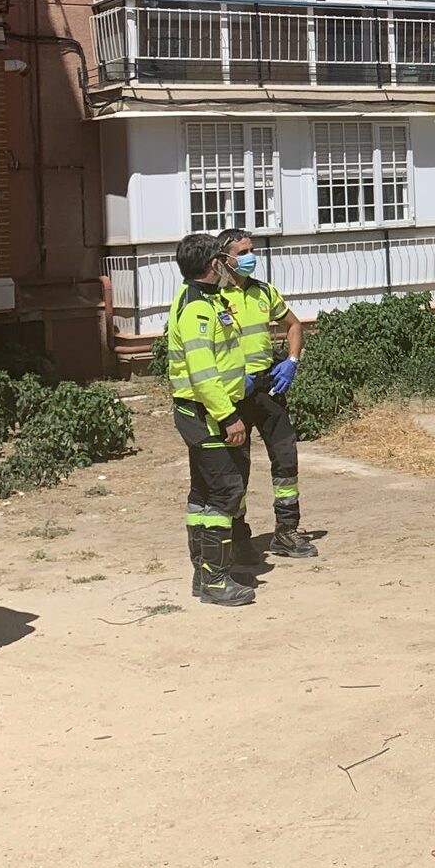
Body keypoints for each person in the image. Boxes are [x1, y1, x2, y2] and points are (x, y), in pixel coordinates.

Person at [165, 232, 255, 606]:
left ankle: (204, 575)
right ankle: (216, 580)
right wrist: (229, 416)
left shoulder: (204, 300)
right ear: (213, 264)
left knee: (203, 493)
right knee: (226, 491)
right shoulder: (197, 309)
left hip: (206, 412)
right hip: (207, 415)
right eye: (224, 259)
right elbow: (204, 374)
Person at [217, 227, 316, 561]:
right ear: (224, 257)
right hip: (233, 394)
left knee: (286, 459)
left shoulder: (263, 292)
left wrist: (291, 361)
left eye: (251, 250)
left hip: (268, 388)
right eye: (242, 252)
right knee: (236, 467)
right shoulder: (212, 297)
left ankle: (286, 532)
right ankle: (239, 537)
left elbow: (294, 325)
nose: (250, 257)